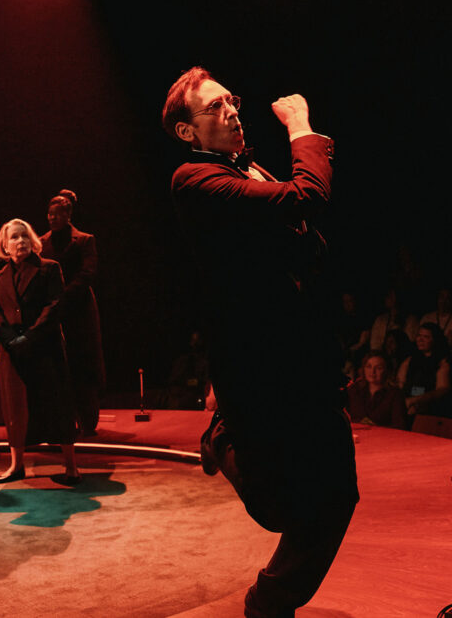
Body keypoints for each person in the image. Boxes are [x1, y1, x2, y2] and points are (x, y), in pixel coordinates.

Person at [163, 66, 358, 617]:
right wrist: (300, 126)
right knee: (279, 508)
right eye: (215, 107)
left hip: (306, 357)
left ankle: (269, 602)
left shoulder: (248, 168)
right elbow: (308, 196)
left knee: (337, 494)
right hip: (259, 369)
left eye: (232, 101)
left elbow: (298, 236)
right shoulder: (194, 180)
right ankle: (220, 437)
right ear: (187, 131)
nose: (232, 111)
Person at [0, 218, 79, 485]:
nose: (21, 241)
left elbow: (54, 305)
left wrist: (29, 337)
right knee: (16, 410)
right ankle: (16, 466)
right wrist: (11, 340)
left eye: (25, 236)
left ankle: (71, 466)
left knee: (57, 406)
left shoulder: (49, 268)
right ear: (5, 245)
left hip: (45, 349)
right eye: (14, 237)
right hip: (13, 355)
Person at [39, 189, 107, 435]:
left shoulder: (84, 240)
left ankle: (87, 421)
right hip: (53, 311)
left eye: (56, 214)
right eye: (49, 214)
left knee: (83, 363)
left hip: (79, 311)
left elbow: (88, 273)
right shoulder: (41, 242)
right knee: (58, 365)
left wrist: (63, 295)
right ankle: (63, 420)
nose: (52, 218)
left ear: (68, 215)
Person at [396, 321, 452, 419]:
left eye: (426, 337)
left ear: (435, 340)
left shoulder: (443, 362)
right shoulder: (410, 360)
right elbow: (400, 383)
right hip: (409, 404)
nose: (420, 340)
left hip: (433, 408)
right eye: (419, 335)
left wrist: (415, 400)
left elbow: (442, 389)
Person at [346, 351, 407, 429]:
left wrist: (376, 427)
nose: (372, 371)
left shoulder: (395, 394)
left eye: (378, 368)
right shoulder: (354, 389)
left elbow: (400, 425)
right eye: (369, 366)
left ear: (387, 370)